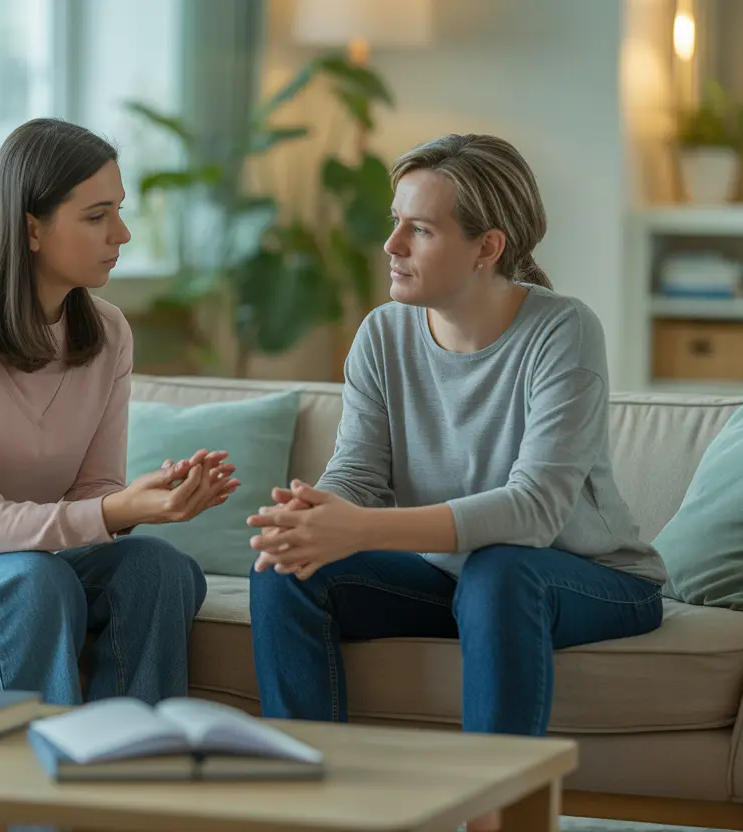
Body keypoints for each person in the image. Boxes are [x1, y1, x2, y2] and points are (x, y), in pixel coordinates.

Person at [246, 134, 667, 827]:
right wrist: (314, 516)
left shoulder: (562, 331)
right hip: (452, 578)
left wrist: (361, 529)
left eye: (420, 228)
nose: (391, 245)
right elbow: (357, 471)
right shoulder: (383, 334)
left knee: (501, 570)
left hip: (587, 579)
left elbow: (534, 512)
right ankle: (312, 812)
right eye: (394, 222)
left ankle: (495, 818)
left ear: (487, 247)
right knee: (285, 569)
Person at [0, 118, 239, 706]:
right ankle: (23, 791)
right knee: (30, 584)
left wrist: (135, 508)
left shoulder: (108, 333)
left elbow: (92, 490)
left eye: (118, 211)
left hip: (32, 563)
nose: (121, 234)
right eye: (97, 217)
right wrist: (114, 509)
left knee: (159, 568)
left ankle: (127, 755)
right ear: (31, 229)